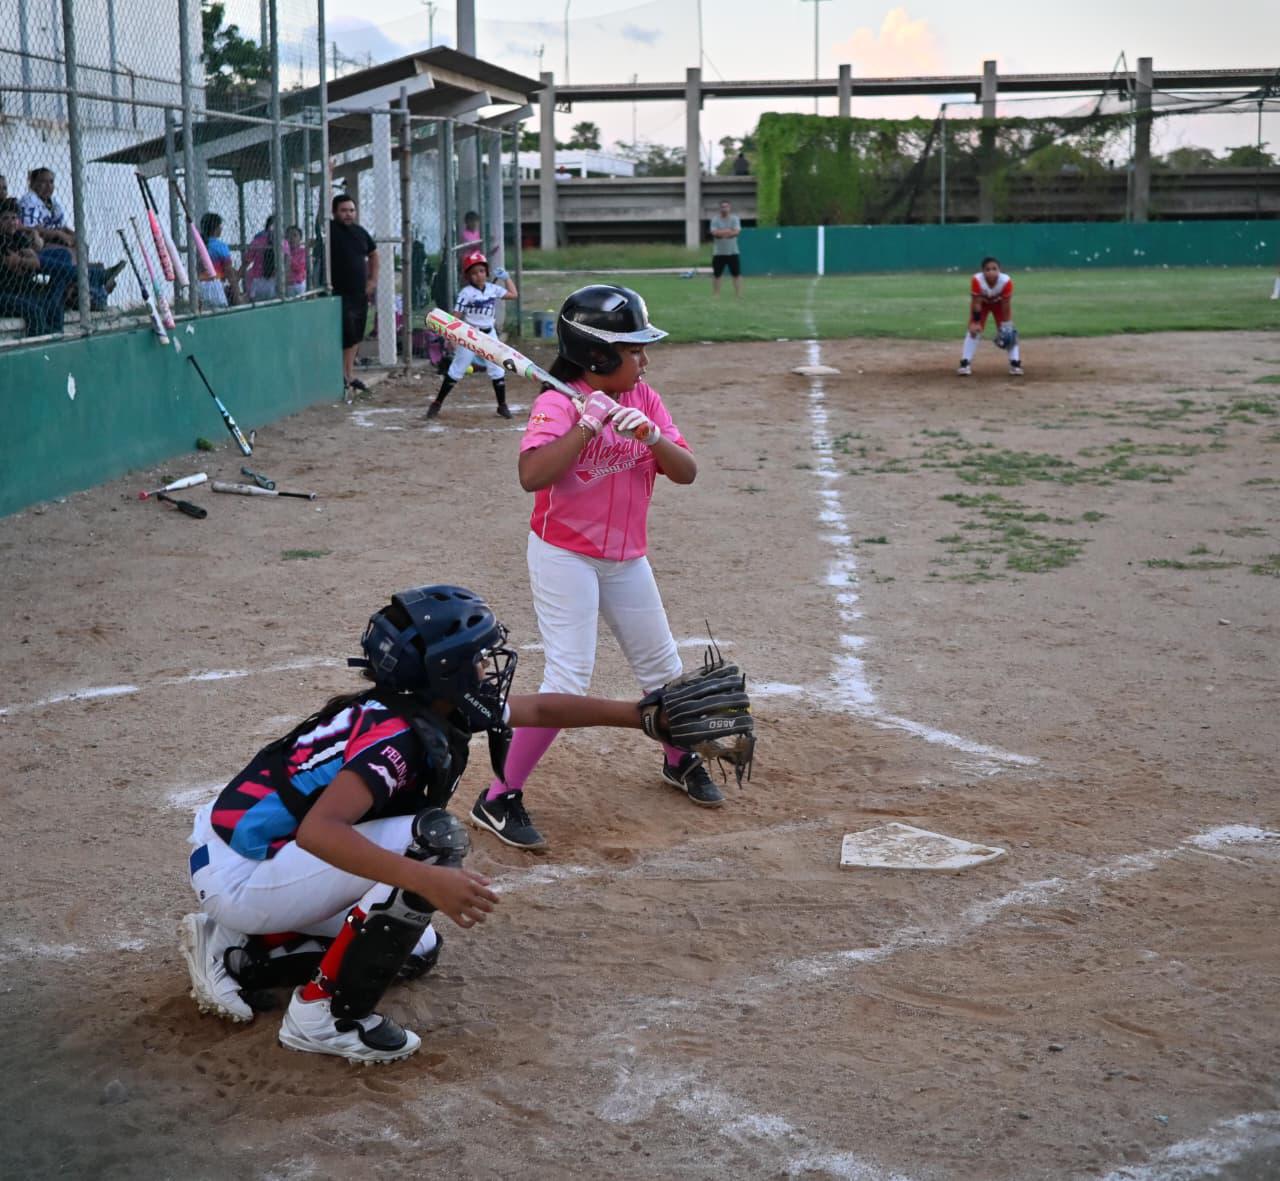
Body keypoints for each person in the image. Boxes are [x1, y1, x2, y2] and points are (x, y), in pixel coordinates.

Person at [179, 584, 682, 1062]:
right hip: (246, 872)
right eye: (477, 659)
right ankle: (324, 1016)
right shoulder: (397, 738)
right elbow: (320, 831)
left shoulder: (419, 705)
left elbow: (542, 707)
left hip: (248, 854)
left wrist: (643, 717)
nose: (487, 669)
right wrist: (427, 876)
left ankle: (237, 949)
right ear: (444, 673)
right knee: (429, 844)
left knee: (410, 948)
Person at [467, 284, 715, 853]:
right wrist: (587, 426)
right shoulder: (557, 404)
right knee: (568, 678)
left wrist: (650, 436)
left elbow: (687, 471)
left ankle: (677, 758)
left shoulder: (645, 400)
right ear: (598, 356)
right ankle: (499, 795)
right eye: (634, 350)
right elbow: (532, 476)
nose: (644, 361)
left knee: (664, 668)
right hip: (565, 555)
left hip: (626, 557)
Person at [425, 250, 518, 421]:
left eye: (482, 271)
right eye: (474, 273)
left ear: (487, 272)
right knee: (456, 370)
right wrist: (452, 336)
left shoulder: (492, 289)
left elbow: (513, 295)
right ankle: (437, 403)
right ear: (468, 276)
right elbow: (456, 316)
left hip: (489, 334)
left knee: (497, 369)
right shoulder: (466, 293)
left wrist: (507, 278)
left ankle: (502, 405)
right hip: (470, 335)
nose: (479, 275)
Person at [18, 167, 121, 309]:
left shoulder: (52, 202)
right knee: (68, 254)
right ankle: (91, 286)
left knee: (80, 246)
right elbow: (31, 228)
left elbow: (62, 226)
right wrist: (58, 234)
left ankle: (91, 292)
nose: (48, 186)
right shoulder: (29, 200)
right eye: (43, 182)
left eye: (51, 182)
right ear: (32, 183)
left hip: (53, 242)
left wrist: (74, 236)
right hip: (36, 245)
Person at [0, 198, 72, 335]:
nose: (11, 222)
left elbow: (36, 263)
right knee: (35, 311)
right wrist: (24, 261)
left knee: (54, 306)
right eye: (5, 218)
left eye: (14, 218)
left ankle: (55, 337)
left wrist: (21, 261)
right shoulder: (1, 240)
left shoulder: (18, 237)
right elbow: (13, 264)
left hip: (23, 287)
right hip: (5, 294)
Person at [329, 193, 378, 395]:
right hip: (339, 293)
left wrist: (372, 281)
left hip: (359, 293)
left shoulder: (360, 232)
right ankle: (342, 375)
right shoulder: (331, 230)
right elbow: (322, 208)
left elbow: (374, 254)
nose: (348, 214)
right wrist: (329, 176)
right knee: (347, 334)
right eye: (343, 210)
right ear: (334, 213)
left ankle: (349, 374)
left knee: (357, 334)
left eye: (351, 210)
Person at [958, 255, 1023, 377]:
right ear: (983, 271)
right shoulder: (977, 280)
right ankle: (965, 363)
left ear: (1000, 270)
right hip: (982, 305)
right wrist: (976, 322)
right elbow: (976, 302)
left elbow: (1006, 304)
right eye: (987, 269)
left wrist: (1006, 324)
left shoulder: (1006, 281)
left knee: (1009, 333)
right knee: (973, 331)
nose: (991, 272)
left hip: (999, 305)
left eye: (994, 268)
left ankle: (1015, 363)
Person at [242, 215, 291, 303]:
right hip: (274, 281)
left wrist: (238, 276)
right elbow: (286, 263)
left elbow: (247, 261)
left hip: (258, 281)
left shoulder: (258, 241)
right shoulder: (283, 242)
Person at [196, 212, 238, 308]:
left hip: (201, 285)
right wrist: (237, 296)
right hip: (216, 285)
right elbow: (229, 272)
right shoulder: (220, 246)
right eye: (220, 226)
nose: (221, 229)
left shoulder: (200, 245)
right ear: (215, 229)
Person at [709, 199, 742, 298]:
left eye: (726, 206)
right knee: (717, 275)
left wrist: (722, 232)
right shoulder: (715, 220)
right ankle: (716, 294)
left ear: (730, 208)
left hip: (733, 252)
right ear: (720, 208)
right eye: (723, 207)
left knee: (736, 275)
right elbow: (714, 233)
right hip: (718, 253)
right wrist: (728, 231)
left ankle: (738, 294)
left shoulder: (735, 219)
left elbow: (736, 232)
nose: (725, 208)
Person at [285, 224, 308, 296]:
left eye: (295, 235)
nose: (291, 238)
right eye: (289, 236)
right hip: (287, 285)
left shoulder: (303, 252)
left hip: (298, 284)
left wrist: (288, 259)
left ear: (300, 238)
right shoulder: (285, 252)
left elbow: (299, 267)